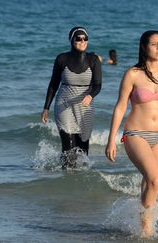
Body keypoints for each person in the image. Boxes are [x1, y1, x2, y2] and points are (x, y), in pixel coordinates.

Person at [105, 30, 158, 237]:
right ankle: (146, 231)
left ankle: (141, 227)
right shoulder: (132, 74)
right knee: (155, 180)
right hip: (133, 134)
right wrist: (111, 140)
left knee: (148, 182)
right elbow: (120, 107)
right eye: (154, 44)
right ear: (144, 47)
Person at [41, 26, 102, 168]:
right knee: (68, 145)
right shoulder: (62, 59)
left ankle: (79, 179)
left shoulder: (93, 60)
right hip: (64, 103)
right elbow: (53, 84)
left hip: (85, 105)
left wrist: (90, 96)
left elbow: (98, 85)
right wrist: (46, 108)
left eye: (85, 38)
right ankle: (65, 176)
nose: (82, 41)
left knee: (83, 147)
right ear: (71, 40)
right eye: (78, 38)